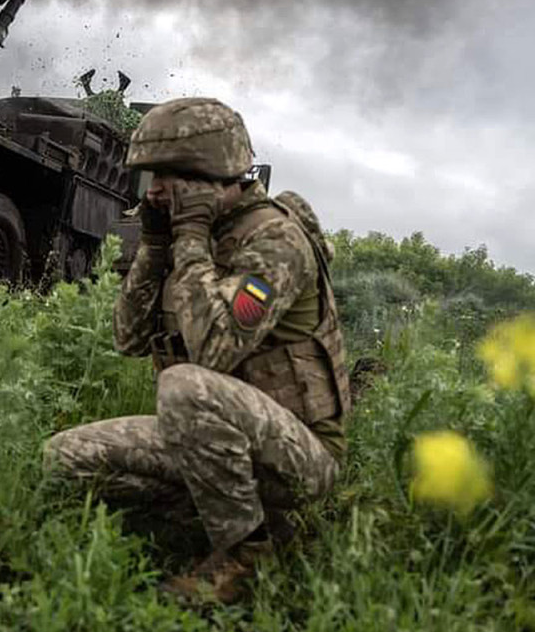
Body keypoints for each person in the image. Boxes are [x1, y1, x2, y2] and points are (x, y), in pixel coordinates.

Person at [43, 96, 349, 604]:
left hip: (299, 458)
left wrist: (188, 238)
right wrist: (157, 246)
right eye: (152, 177)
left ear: (216, 175)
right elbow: (130, 338)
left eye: (170, 176)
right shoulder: (192, 236)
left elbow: (213, 353)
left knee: (184, 384)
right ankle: (217, 507)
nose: (156, 190)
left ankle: (247, 556)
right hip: (218, 441)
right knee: (64, 458)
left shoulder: (275, 241)